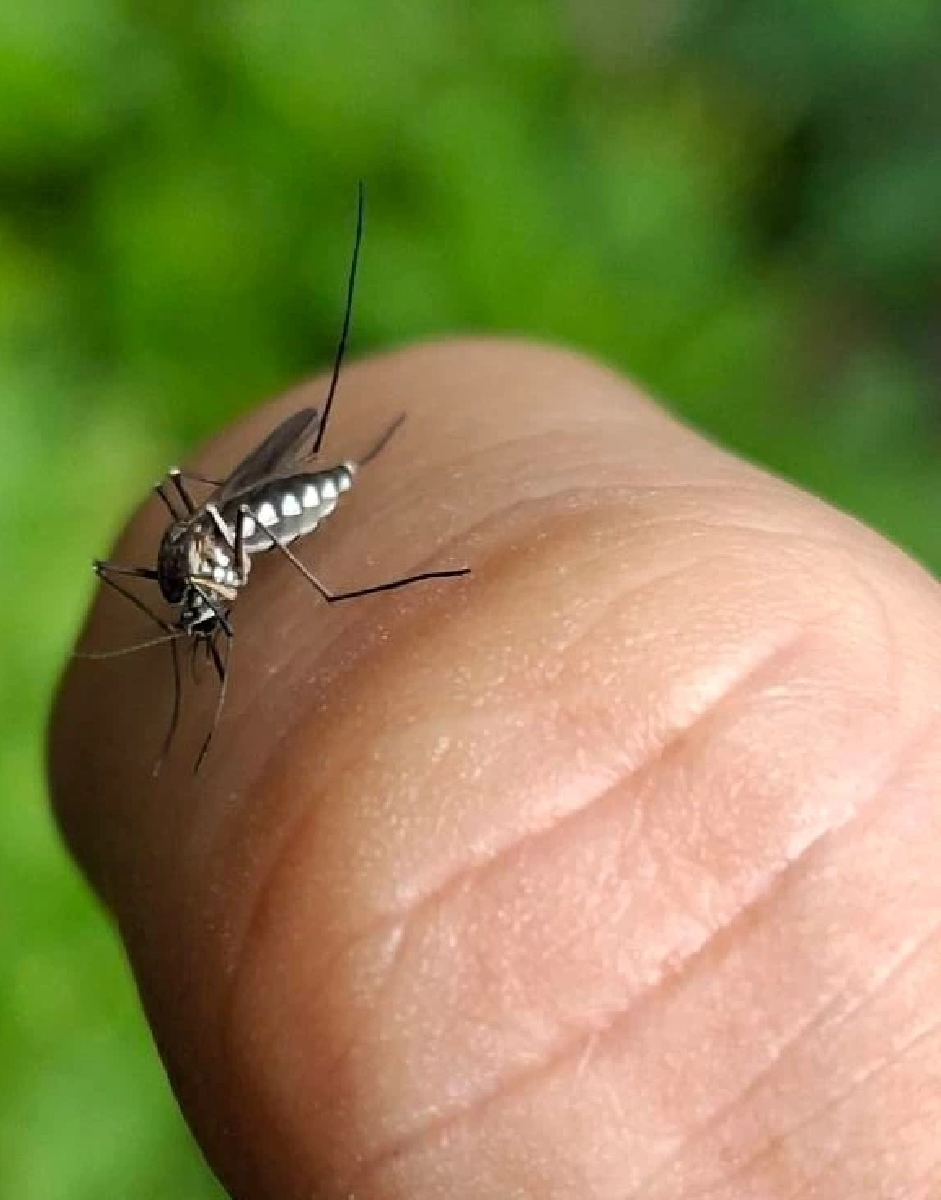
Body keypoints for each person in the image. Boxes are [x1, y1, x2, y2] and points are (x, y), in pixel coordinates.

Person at [49, 339, 941, 1199]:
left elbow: (204, 535)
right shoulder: (189, 589)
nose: (202, 636)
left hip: (266, 511)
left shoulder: (210, 558)